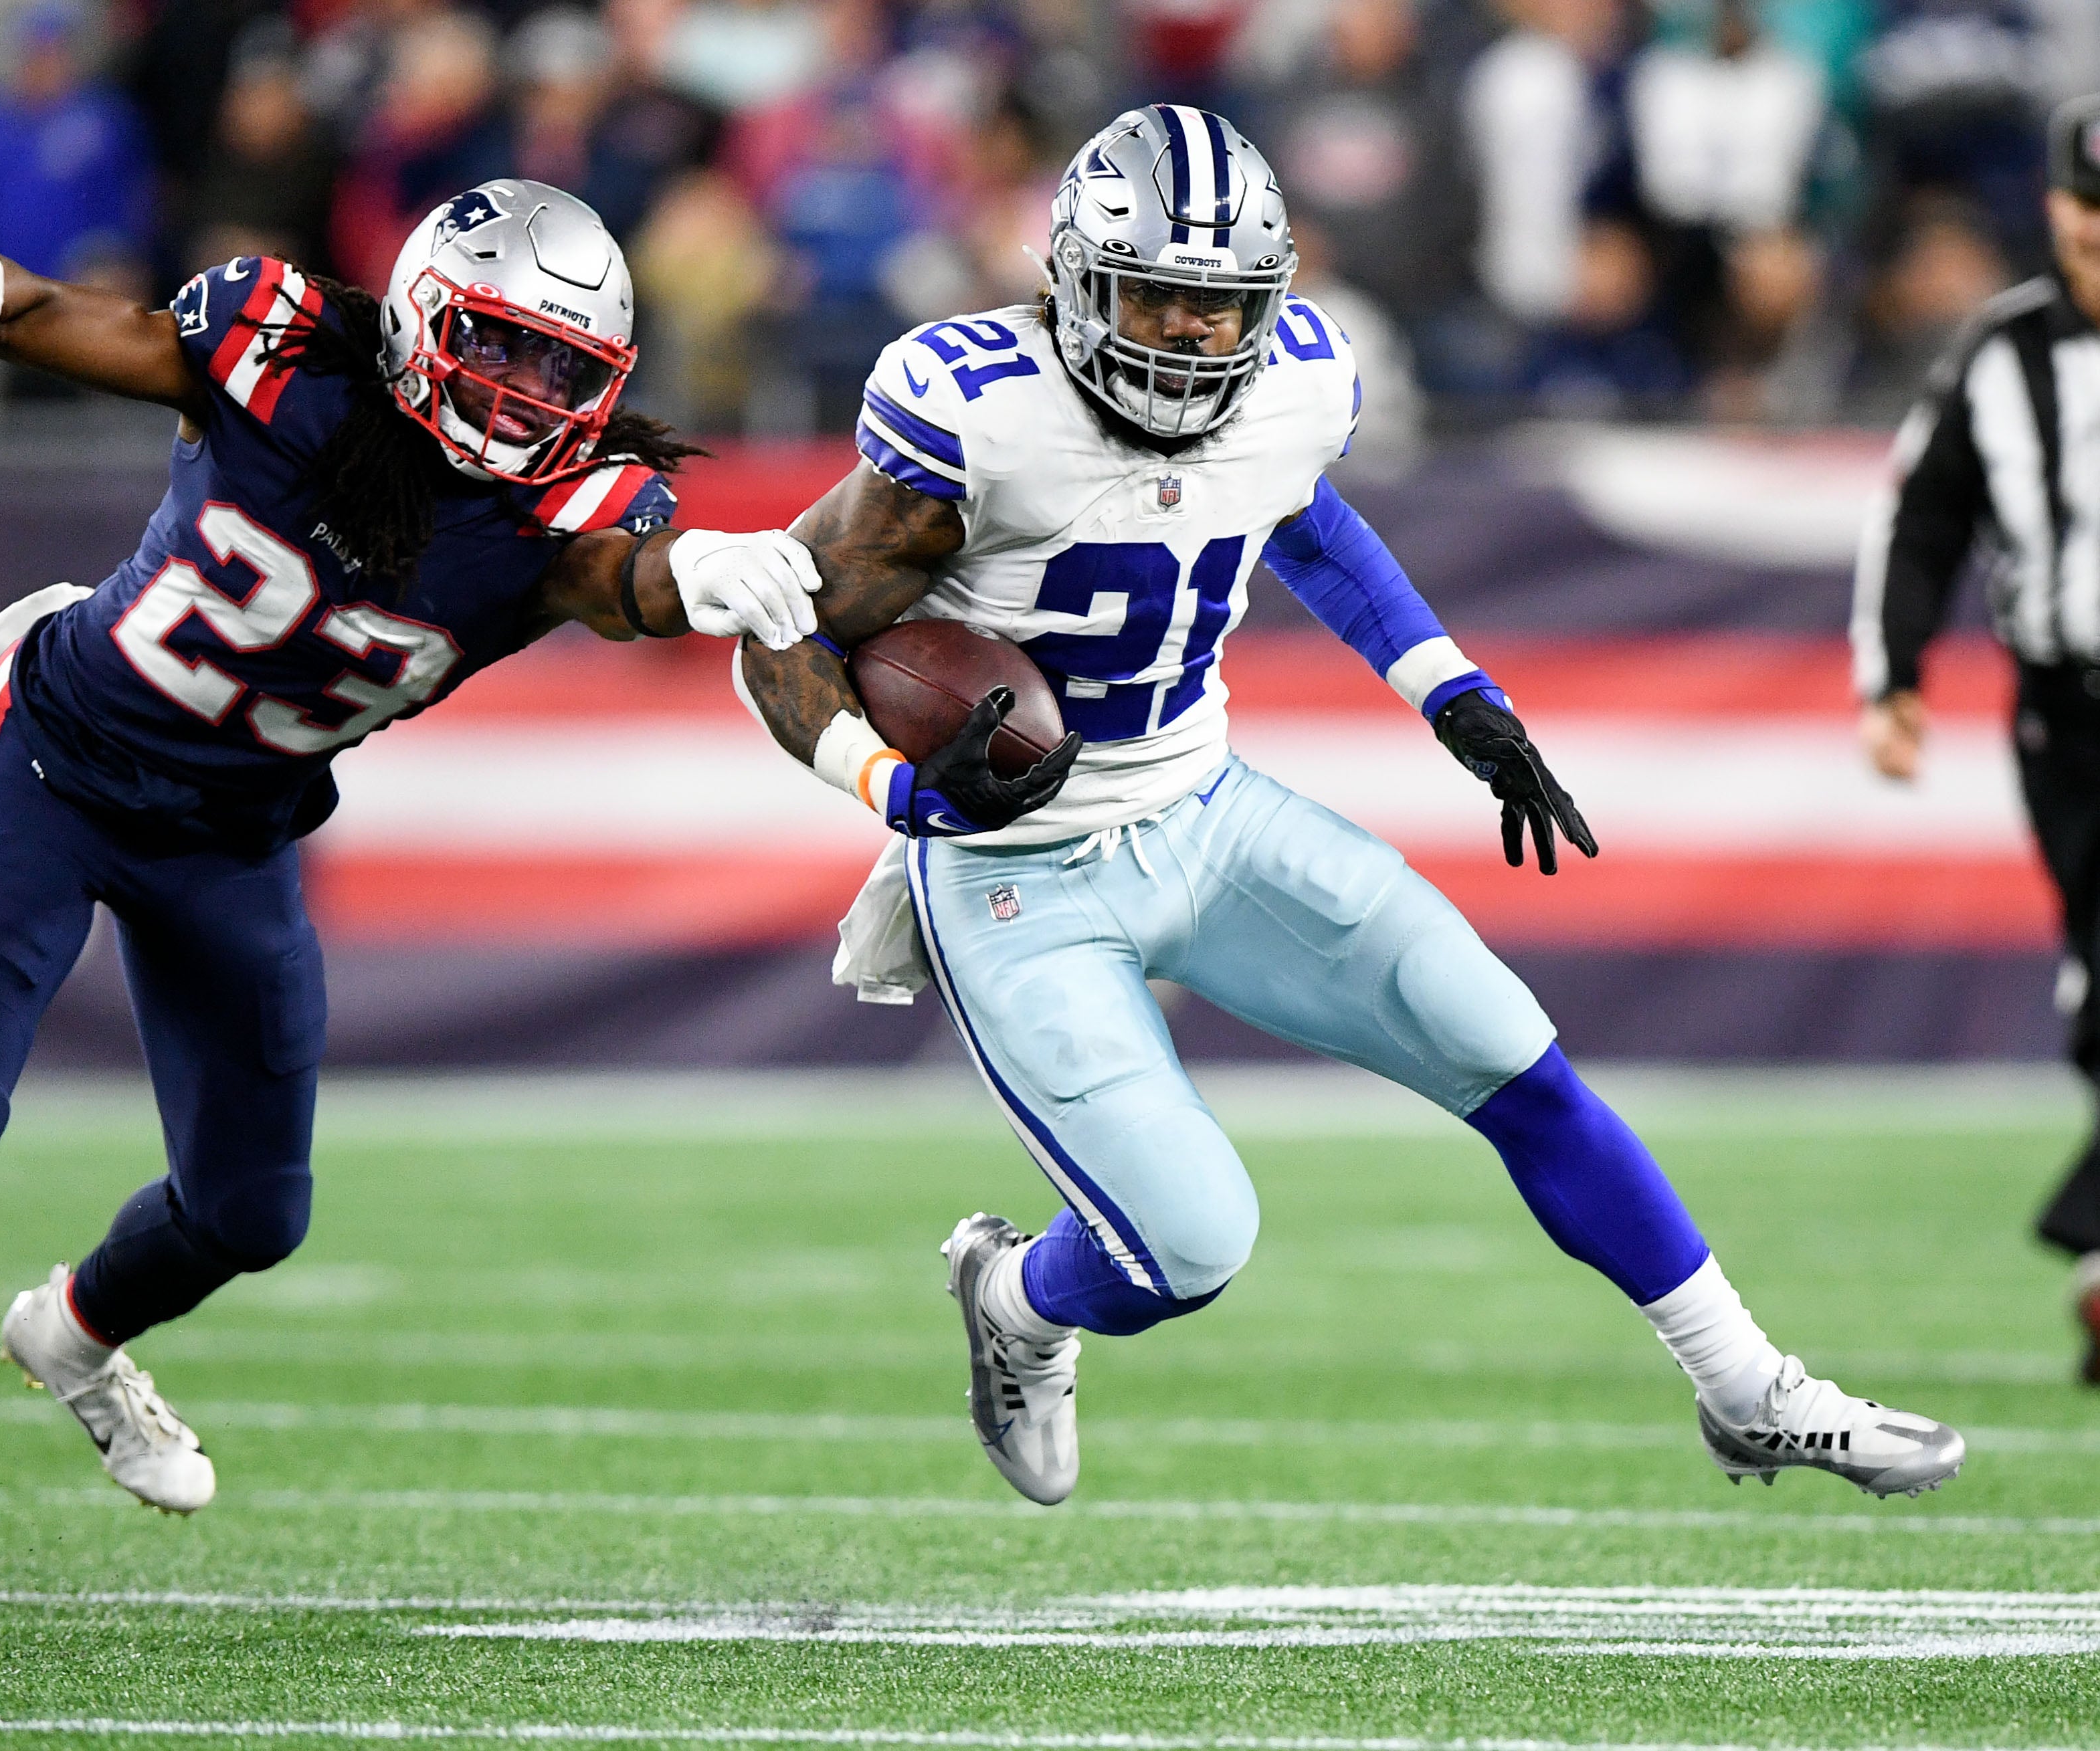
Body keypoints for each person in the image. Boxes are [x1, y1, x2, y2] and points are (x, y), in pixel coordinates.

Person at [0, 179, 822, 1623]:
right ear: (428, 315)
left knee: (252, 1212)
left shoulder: (559, 513)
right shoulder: (286, 368)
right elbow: (94, 329)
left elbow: (615, 578)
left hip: (235, 832)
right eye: (500, 348)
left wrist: (698, 569)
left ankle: (72, 1332)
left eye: (563, 371)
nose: (524, 394)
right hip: (57, 764)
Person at [732, 104, 1968, 1508]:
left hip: (1203, 807)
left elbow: (1301, 511)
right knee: (1186, 1246)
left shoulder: (1293, 382)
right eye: (1157, 301)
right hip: (1017, 866)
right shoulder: (972, 414)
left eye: (1220, 310)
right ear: (1072, 282)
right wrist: (890, 785)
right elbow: (777, 634)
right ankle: (1017, 1297)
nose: (1191, 340)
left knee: (1512, 1055)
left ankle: (1747, 1387)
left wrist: (1448, 689)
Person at [1853, 94, 2100, 1384]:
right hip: (2071, 712)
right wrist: (1893, 678)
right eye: (2088, 212)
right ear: (2056, 208)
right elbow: (1921, 517)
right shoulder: (2004, 351)